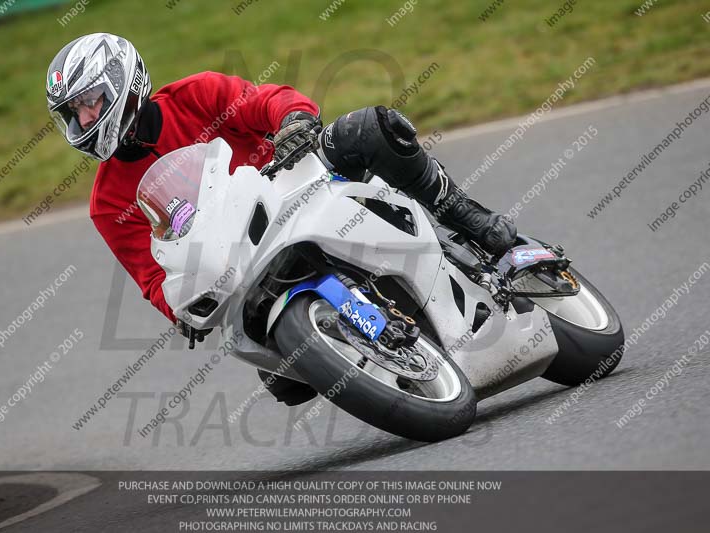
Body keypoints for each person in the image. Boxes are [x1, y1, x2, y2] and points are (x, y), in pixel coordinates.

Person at [46, 33, 516, 406]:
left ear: (123, 79)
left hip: (298, 184)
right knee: (288, 384)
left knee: (370, 128)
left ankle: (470, 220)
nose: (85, 118)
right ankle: (378, 355)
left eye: (90, 100)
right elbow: (150, 276)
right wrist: (180, 310)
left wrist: (292, 120)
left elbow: (270, 100)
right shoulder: (107, 202)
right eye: (74, 112)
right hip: (239, 266)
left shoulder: (196, 94)